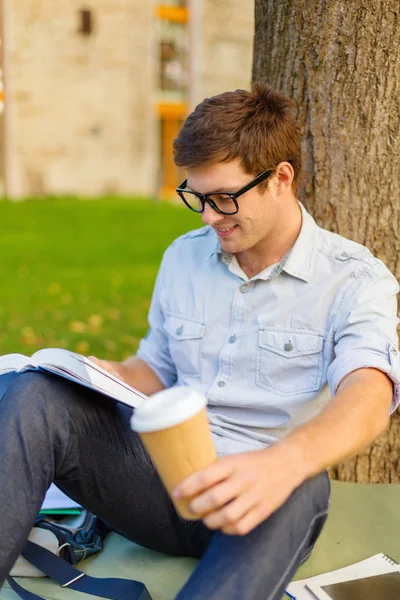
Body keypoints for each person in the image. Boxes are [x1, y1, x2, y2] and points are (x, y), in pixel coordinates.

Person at [1, 84, 399, 600]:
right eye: (197, 197)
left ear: (281, 178)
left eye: (223, 197)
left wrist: (284, 463)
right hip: (156, 481)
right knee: (34, 394)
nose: (209, 216)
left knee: (306, 484)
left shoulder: (356, 279)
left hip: (259, 501)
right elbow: (154, 368)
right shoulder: (183, 257)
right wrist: (97, 374)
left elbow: (369, 394)